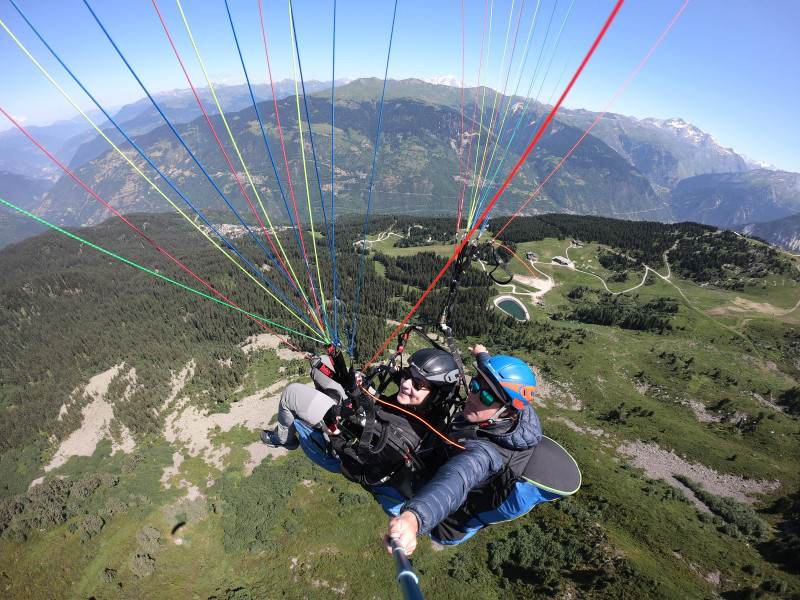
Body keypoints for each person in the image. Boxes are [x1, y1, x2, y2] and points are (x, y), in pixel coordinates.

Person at [383, 344, 545, 555]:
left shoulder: (486, 455)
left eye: (486, 398)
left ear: (507, 411)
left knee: (385, 484)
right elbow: (491, 377)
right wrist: (482, 355)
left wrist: (413, 518)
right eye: (475, 386)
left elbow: (457, 478)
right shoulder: (511, 404)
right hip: (445, 453)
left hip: (447, 522)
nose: (473, 397)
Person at [261, 347, 461, 502]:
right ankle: (323, 401)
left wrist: (334, 435)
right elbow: (411, 387)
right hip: (366, 413)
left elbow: (360, 475)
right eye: (409, 375)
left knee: (291, 393)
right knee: (320, 363)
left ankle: (283, 438)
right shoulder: (434, 405)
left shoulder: (398, 445)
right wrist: (394, 375)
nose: (406, 384)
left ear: (435, 395)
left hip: (343, 441)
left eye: (418, 384)